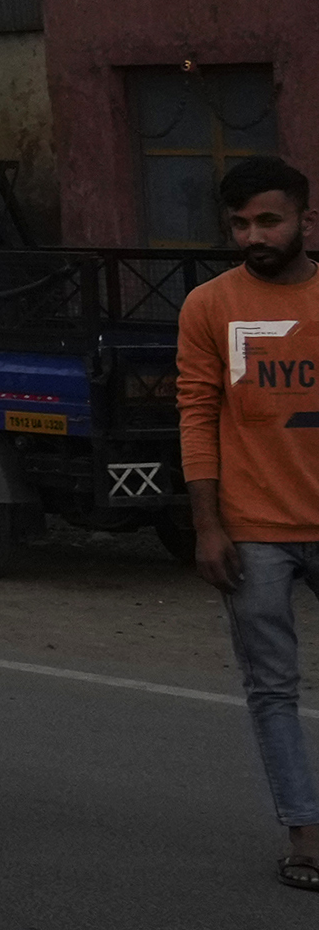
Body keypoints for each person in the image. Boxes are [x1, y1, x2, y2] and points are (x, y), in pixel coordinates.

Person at [177, 154, 319, 890]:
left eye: (268, 220)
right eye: (239, 223)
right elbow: (197, 416)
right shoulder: (209, 305)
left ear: (304, 218)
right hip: (253, 529)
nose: (252, 235)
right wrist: (208, 525)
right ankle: (305, 833)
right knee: (272, 686)